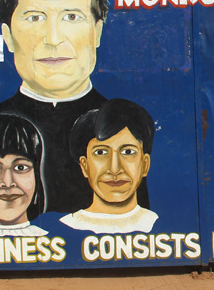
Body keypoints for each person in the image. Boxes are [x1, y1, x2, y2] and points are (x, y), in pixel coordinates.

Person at [0, 0, 119, 216]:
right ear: (8, 36)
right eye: (34, 17)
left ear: (96, 31)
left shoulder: (124, 127)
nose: (53, 38)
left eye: (71, 17)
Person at [58, 98, 159, 234]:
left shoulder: (161, 225)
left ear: (145, 164)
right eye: (101, 152)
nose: (114, 169)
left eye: (128, 152)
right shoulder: (62, 228)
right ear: (85, 165)